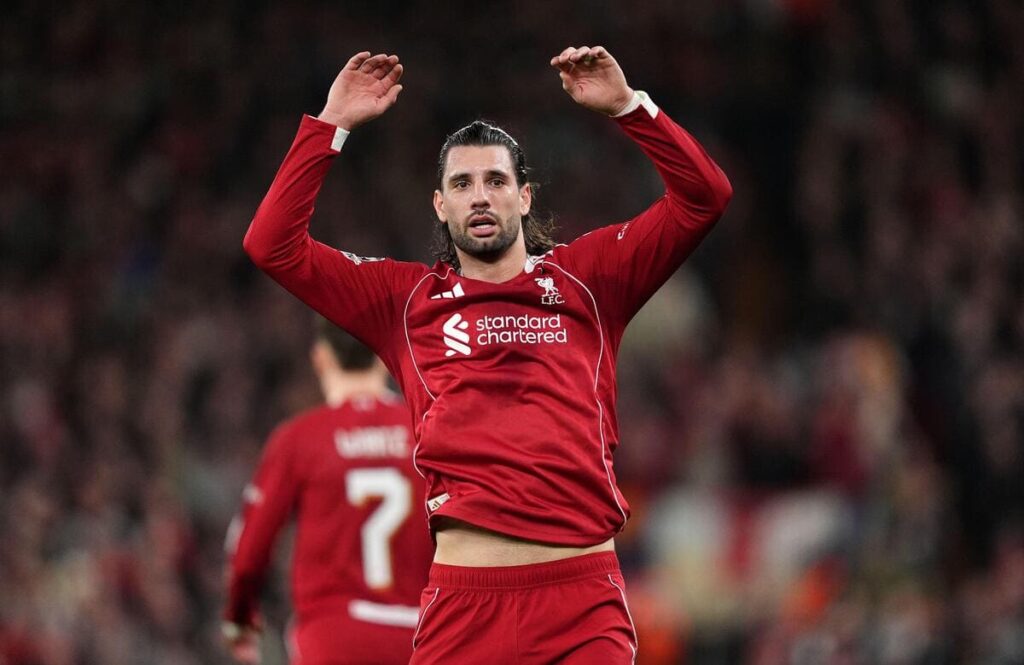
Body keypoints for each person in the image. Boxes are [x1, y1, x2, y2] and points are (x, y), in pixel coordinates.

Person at [243, 45, 732, 663]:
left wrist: (629, 108)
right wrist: (330, 125)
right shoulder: (403, 300)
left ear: (524, 197)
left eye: (496, 180)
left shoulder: (591, 278)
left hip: (581, 605)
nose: (480, 196)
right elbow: (272, 245)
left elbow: (704, 197)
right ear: (440, 205)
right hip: (464, 607)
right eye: (462, 184)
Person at [223, 319, 434, 664]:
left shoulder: (300, 439)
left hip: (333, 638)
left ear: (320, 359)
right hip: (421, 638)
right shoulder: (426, 431)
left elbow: (249, 550)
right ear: (386, 357)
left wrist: (239, 616)